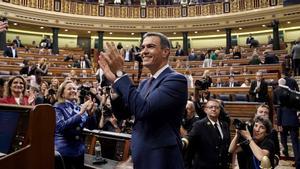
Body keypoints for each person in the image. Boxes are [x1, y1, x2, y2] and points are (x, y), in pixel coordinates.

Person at [98, 32, 188, 169]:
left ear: (165, 52)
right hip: (141, 156)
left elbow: (144, 110)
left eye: (150, 46)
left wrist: (119, 75)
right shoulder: (144, 84)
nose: (143, 52)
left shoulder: (176, 80)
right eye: (142, 47)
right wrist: (115, 86)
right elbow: (123, 114)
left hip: (162, 159)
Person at [54, 80, 97, 169]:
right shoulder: (58, 107)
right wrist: (80, 113)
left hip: (79, 151)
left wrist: (91, 114)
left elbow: (91, 127)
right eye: (69, 89)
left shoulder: (78, 107)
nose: (73, 90)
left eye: (74, 88)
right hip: (64, 151)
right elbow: (60, 127)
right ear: (62, 93)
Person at [183, 99, 231, 169]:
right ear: (205, 110)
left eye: (216, 107)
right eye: (211, 107)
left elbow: (227, 145)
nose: (214, 109)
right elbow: (190, 141)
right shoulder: (199, 125)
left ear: (220, 110)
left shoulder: (224, 125)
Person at [273, 78, 299, 167]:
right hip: (293, 120)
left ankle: (285, 151)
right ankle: (298, 161)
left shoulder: (278, 92)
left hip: (283, 119)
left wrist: (278, 122)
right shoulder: (293, 93)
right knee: (295, 143)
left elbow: (278, 107)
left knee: (283, 137)